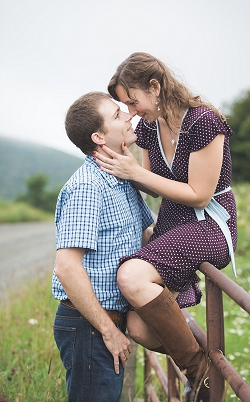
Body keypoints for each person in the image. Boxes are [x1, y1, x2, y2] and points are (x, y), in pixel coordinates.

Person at [94, 52, 237, 401]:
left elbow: (200, 195)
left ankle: (200, 374)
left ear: (155, 87)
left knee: (130, 276)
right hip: (173, 223)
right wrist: (121, 165)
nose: (130, 111)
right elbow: (152, 182)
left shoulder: (203, 122)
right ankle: (201, 360)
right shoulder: (147, 128)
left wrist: (135, 172)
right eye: (123, 105)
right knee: (139, 326)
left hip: (209, 225)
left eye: (133, 101)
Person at [52, 91, 155, 401]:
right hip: (90, 325)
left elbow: (145, 234)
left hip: (106, 321)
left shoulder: (119, 176)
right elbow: (66, 267)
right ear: (98, 137)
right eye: (116, 115)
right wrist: (108, 331)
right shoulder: (87, 187)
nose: (127, 115)